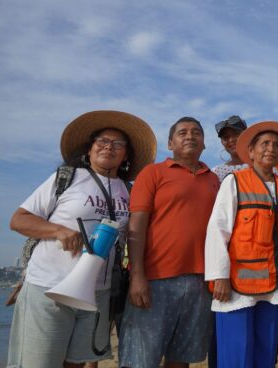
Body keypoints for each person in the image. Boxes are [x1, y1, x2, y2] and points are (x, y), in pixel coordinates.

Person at [7, 110, 156, 368]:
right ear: (89, 150)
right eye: (102, 141)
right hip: (49, 286)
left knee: (77, 363)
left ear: (126, 155)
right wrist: (58, 231)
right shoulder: (67, 178)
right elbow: (18, 219)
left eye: (117, 144)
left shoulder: (129, 191)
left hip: (97, 292)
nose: (108, 147)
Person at [119, 117, 221, 368]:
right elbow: (137, 224)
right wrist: (137, 275)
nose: (190, 136)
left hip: (200, 281)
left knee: (181, 359)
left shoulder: (213, 179)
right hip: (155, 278)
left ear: (204, 144)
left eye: (196, 132)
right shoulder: (153, 172)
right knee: (140, 360)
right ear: (170, 143)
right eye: (183, 132)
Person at [205, 121, 278, 367]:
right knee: (236, 356)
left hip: (275, 287)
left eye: (276, 145)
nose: (271, 148)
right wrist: (220, 277)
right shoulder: (234, 182)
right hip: (236, 288)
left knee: (265, 354)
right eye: (264, 143)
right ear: (252, 151)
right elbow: (217, 230)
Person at [213, 115, 249, 181]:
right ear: (222, 142)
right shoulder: (216, 172)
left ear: (247, 135)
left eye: (236, 134)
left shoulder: (263, 165)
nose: (231, 140)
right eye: (226, 137)